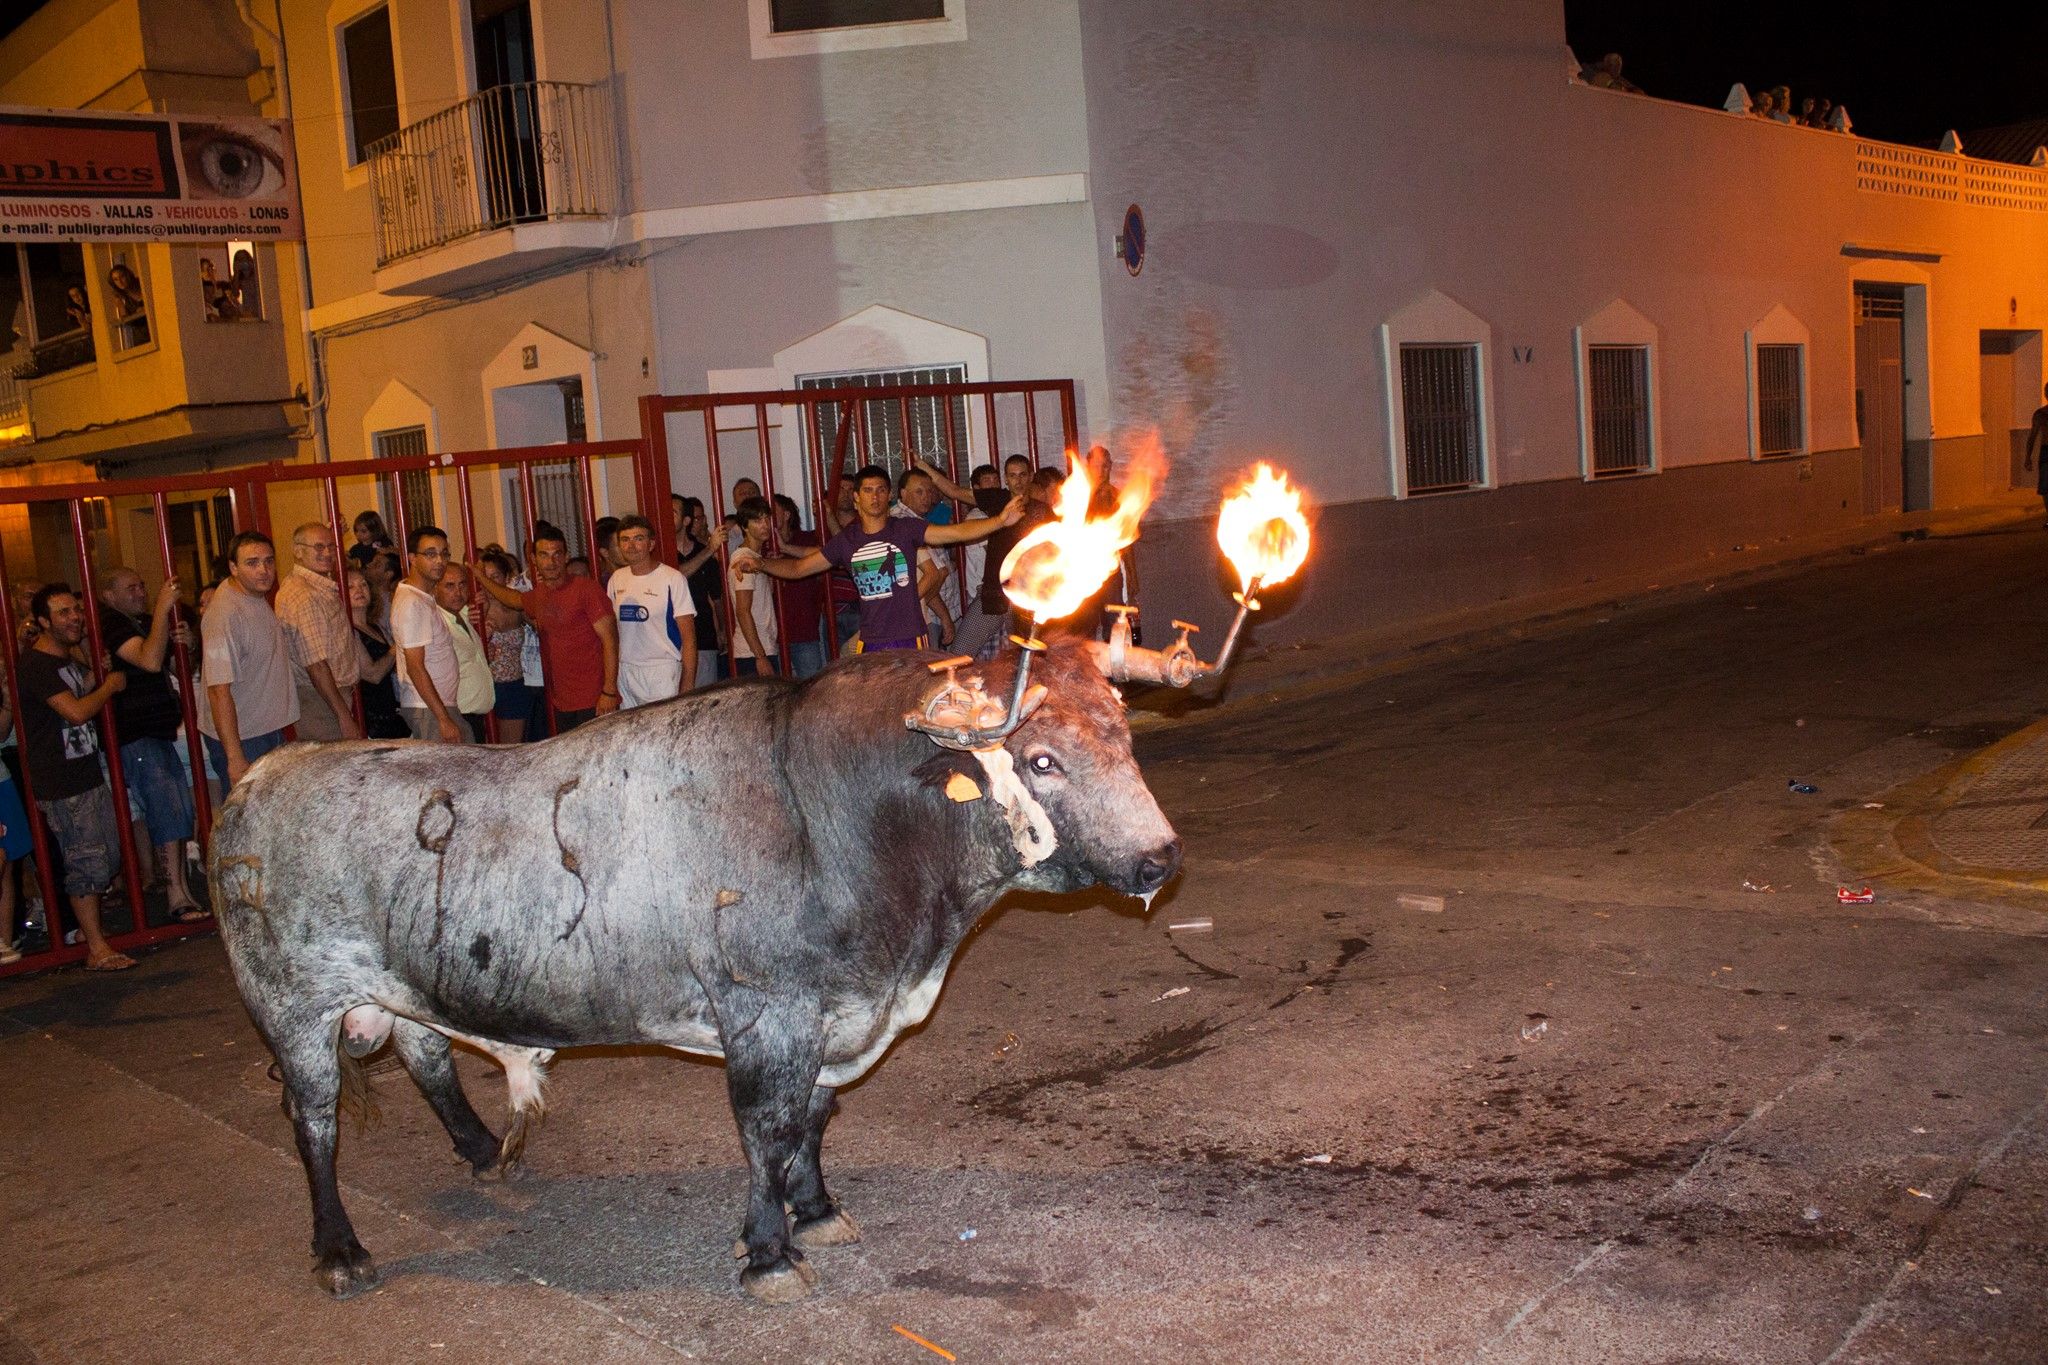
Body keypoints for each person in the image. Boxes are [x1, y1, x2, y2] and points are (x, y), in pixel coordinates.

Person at [745, 465, 1022, 653]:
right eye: (867, 490)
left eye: (880, 490)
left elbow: (953, 532)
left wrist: (999, 521)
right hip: (871, 642)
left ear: (889, 496)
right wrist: (761, 563)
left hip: (911, 638)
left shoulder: (905, 530)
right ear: (856, 498)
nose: (875, 496)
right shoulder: (847, 540)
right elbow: (799, 567)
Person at [17, 585, 132, 971]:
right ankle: (97, 948)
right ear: (44, 622)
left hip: (85, 771)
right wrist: (108, 686)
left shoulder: (64, 660)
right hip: (63, 781)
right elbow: (77, 713)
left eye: (77, 610)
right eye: (63, 613)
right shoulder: (35, 665)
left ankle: (89, 933)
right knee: (87, 861)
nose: (75, 618)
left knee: (106, 855)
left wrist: (87, 662)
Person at [97, 569, 204, 923]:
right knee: (166, 807)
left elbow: (175, 670)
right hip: (136, 732)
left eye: (141, 585)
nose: (141, 592)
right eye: (131, 587)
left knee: (177, 807)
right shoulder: (111, 624)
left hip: (158, 731)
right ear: (108, 596)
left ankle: (179, 889)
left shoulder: (142, 621)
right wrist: (162, 611)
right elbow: (148, 659)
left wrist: (186, 646)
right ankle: (176, 894)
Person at [474, 522, 619, 733]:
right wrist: (481, 579)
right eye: (544, 554)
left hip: (594, 698)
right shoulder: (541, 594)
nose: (551, 562)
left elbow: (610, 639)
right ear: (533, 559)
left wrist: (609, 691)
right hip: (561, 700)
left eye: (557, 554)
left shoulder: (586, 589)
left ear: (566, 556)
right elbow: (515, 599)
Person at [198, 532, 297, 788]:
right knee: (247, 820)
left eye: (269, 561)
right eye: (252, 563)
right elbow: (219, 691)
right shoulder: (225, 614)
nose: (264, 570)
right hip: (245, 739)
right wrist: (235, 757)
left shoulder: (253, 596)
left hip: (263, 730)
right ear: (233, 567)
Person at [918, 454, 1031, 659]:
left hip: (1027, 600)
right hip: (994, 595)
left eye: (1023, 474)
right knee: (959, 655)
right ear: (1006, 479)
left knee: (1021, 660)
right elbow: (955, 491)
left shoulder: (1041, 510)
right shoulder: (998, 498)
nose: (1018, 480)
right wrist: (924, 467)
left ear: (1030, 476)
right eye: (1013, 475)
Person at [274, 522, 363, 741]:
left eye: (331, 547)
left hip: (325, 699)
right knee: (335, 769)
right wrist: (343, 716)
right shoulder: (306, 596)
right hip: (322, 703)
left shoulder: (311, 585)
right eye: (319, 547)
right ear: (298, 551)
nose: (327, 553)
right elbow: (316, 665)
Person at [606, 514, 696, 706]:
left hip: (662, 672)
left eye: (638, 538)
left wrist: (687, 686)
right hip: (626, 671)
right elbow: (612, 632)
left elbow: (689, 638)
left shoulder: (672, 579)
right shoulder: (616, 579)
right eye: (625, 540)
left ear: (651, 544)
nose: (631, 545)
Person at [391, 526, 466, 743]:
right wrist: (443, 718)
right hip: (429, 709)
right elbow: (415, 666)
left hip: (436, 706)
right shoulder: (412, 603)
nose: (440, 560)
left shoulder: (422, 597)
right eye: (431, 554)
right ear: (412, 558)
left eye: (444, 553)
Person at [891, 467, 956, 646]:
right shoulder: (903, 522)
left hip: (926, 611)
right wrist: (944, 616)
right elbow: (936, 573)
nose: (926, 496)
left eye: (929, 491)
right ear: (903, 493)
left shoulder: (917, 519)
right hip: (921, 614)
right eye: (919, 492)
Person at [433, 564, 495, 741]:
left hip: (473, 717)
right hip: (456, 717)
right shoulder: (436, 623)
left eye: (462, 585)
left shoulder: (462, 616)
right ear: (435, 588)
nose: (458, 592)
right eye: (449, 586)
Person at [770, 494, 828, 677]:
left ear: (787, 515)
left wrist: (786, 549)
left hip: (805, 630)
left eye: (772, 512)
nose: (766, 518)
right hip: (774, 635)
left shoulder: (807, 539)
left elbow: (826, 554)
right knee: (779, 693)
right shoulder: (763, 546)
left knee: (812, 689)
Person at [347, 568, 406, 739]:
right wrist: (396, 647)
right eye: (351, 587)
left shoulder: (376, 627)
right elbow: (373, 674)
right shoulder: (349, 631)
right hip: (372, 718)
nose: (359, 590)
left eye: (363, 584)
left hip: (392, 710)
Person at [674, 496, 726, 686]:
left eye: (673, 512)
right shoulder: (661, 554)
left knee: (703, 704)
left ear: (686, 520)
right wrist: (710, 549)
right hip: (670, 643)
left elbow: (717, 598)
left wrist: (722, 630)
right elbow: (678, 575)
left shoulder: (705, 553)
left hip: (703, 638)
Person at [728, 498, 780, 677]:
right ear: (745, 526)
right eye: (757, 520)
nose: (765, 524)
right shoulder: (744, 559)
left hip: (760, 647)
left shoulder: (755, 557)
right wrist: (760, 656)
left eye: (766, 518)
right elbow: (743, 611)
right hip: (753, 652)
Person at [2026, 384, 2048, 526]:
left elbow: (2032, 436)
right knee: (2045, 486)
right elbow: (2032, 436)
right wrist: (2028, 457)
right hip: (2046, 451)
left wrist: (2028, 457)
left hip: (2046, 451)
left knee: (2046, 487)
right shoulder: (2040, 414)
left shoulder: (2040, 414)